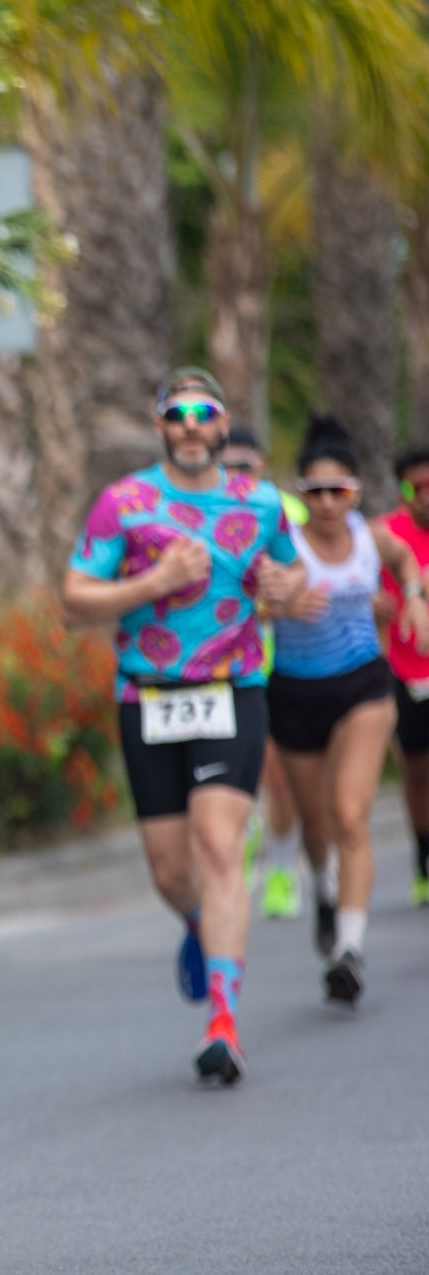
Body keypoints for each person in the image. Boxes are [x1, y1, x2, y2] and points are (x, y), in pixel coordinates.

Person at [62, 369, 303, 1085]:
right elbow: (74, 600)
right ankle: (201, 928)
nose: (192, 425)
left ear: (225, 424)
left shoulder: (259, 503)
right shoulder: (125, 504)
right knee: (170, 870)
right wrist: (153, 583)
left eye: (204, 413)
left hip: (232, 689)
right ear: (160, 425)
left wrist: (286, 591)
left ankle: (223, 1020)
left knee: (219, 844)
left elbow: (292, 583)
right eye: (178, 414)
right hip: (148, 695)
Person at [269, 417, 429, 1006]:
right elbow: (247, 602)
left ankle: (351, 950)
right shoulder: (282, 541)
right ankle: (323, 889)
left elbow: (408, 562)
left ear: (356, 493)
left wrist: (412, 598)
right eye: (316, 493)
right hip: (294, 693)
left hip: (362, 686)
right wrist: (278, 604)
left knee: (349, 813)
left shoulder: (374, 537)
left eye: (340, 492)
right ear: (302, 494)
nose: (329, 504)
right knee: (316, 826)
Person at [222, 424, 307, 922]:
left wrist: (284, 597)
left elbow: (308, 578)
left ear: (262, 464)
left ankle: (280, 870)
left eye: (245, 466)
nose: (236, 475)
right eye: (227, 466)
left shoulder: (285, 513)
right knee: (243, 775)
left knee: (279, 775)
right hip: (231, 667)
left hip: (286, 666)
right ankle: (248, 837)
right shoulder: (204, 514)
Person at [375, 446, 429, 908]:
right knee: (416, 769)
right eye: (417, 487)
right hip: (403, 670)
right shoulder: (385, 536)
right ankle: (423, 857)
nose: (426, 496)